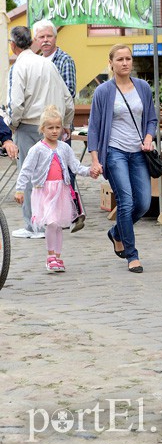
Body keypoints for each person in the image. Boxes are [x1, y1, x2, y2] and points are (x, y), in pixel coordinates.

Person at [88, 44, 158, 274]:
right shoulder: (104, 92)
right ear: (111, 63)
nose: (125, 63)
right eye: (120, 59)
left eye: (128, 58)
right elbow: (95, 128)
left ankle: (117, 233)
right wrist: (95, 159)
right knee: (126, 202)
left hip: (139, 152)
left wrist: (149, 138)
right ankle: (132, 254)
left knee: (144, 203)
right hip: (114, 152)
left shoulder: (142, 87)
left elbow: (151, 119)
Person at [8, 25, 74, 240]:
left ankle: (32, 225)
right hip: (51, 125)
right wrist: (66, 123)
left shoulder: (20, 66)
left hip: (28, 125)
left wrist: (13, 124)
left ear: (13, 45)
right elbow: (67, 99)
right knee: (51, 176)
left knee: (29, 175)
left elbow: (16, 103)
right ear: (32, 42)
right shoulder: (47, 64)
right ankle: (50, 220)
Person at [14, 105, 97, 272]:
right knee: (51, 223)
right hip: (44, 192)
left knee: (58, 225)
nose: (54, 131)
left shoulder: (64, 148)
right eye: (50, 127)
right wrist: (20, 189)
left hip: (61, 191)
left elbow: (75, 166)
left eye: (57, 127)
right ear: (42, 128)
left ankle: (58, 257)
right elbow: (26, 170)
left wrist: (90, 171)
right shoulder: (37, 149)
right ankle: (50, 256)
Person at [32, 18, 85, 233]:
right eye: (41, 37)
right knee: (48, 170)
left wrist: (61, 125)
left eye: (49, 36)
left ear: (55, 37)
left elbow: (69, 94)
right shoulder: (36, 60)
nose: (45, 40)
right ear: (36, 39)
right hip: (43, 125)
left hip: (59, 125)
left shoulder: (64, 60)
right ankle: (52, 212)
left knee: (65, 168)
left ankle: (75, 210)